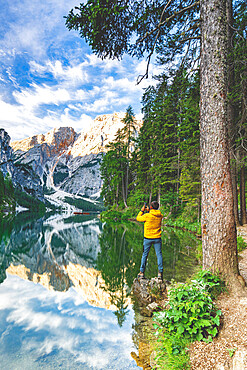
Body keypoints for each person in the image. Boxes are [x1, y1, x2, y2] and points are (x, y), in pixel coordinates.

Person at [136, 201, 163, 280]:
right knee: (159, 255)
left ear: (151, 207)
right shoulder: (160, 215)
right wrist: (149, 210)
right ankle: (160, 273)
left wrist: (142, 211)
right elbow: (154, 214)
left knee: (145, 255)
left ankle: (141, 273)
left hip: (148, 238)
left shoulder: (147, 216)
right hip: (157, 238)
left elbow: (138, 218)